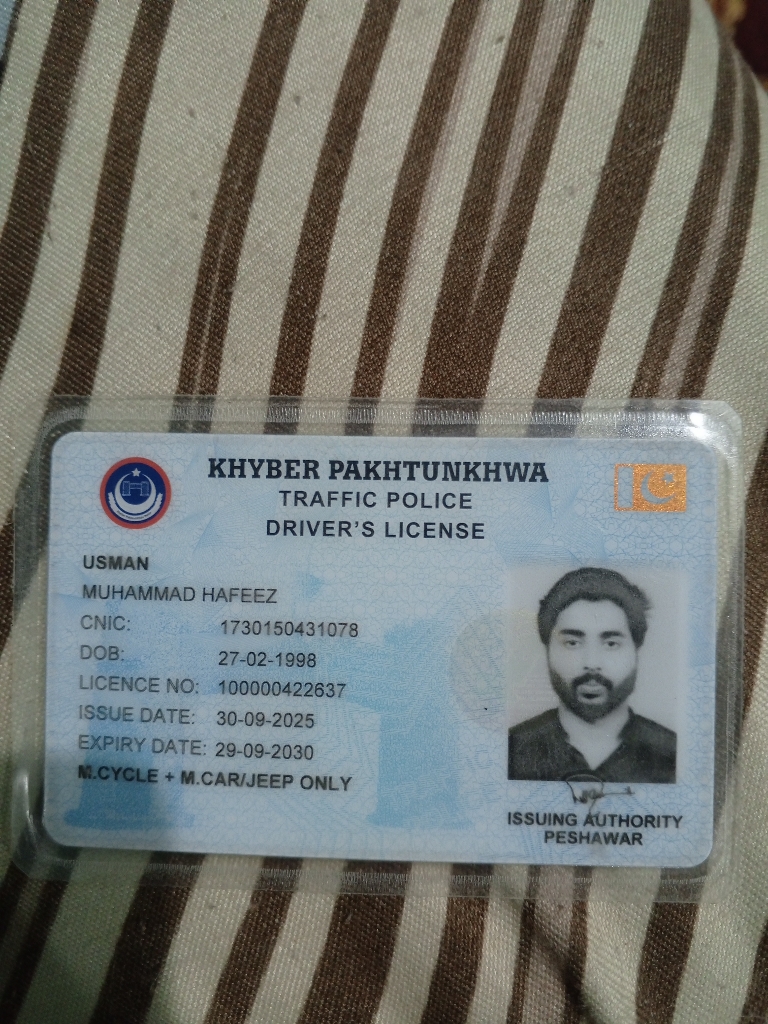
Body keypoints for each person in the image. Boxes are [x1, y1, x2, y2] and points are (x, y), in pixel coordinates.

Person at [508, 568, 676, 783]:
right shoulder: (510, 750)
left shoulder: (673, 754)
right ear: (547, 650)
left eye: (611, 644)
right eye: (572, 643)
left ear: (636, 650)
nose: (592, 663)